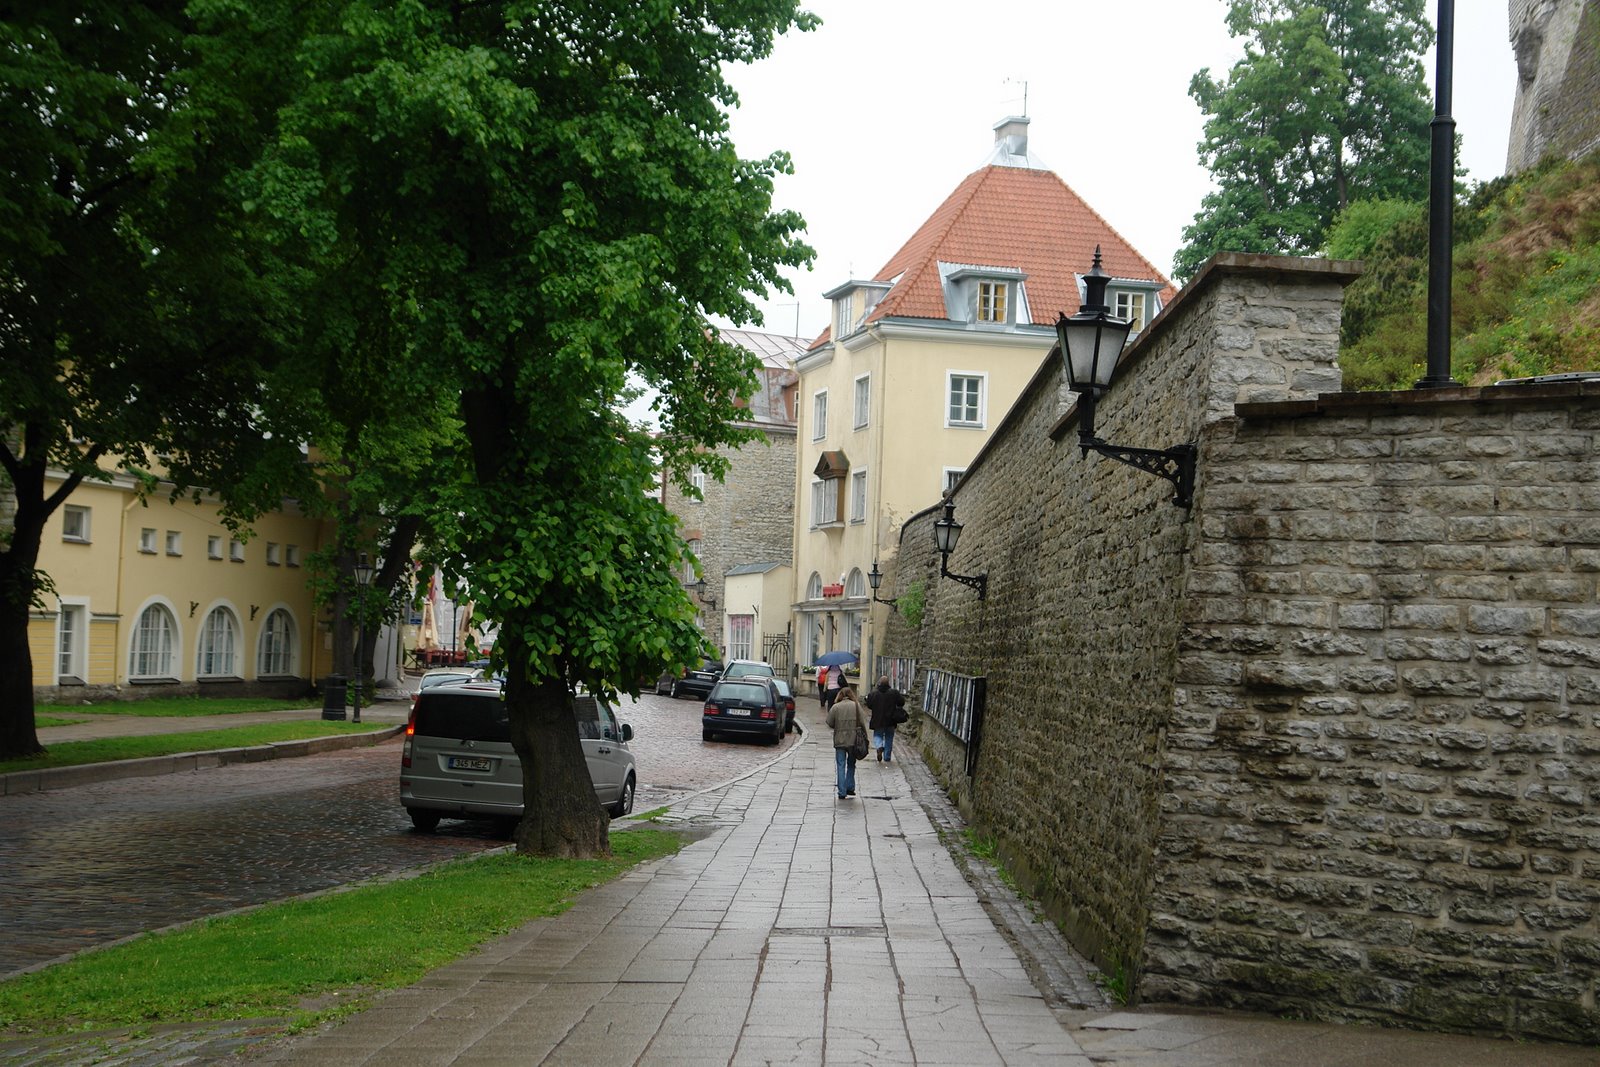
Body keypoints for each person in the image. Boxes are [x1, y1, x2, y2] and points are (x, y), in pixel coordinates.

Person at [826, 686, 869, 799]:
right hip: (853, 740)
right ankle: (850, 786)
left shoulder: (836, 707)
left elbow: (829, 722)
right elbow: (862, 722)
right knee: (851, 764)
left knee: (840, 765)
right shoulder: (856, 706)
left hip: (839, 740)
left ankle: (842, 791)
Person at [864, 675, 907, 763]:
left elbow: (869, 705)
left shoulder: (873, 693)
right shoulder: (894, 693)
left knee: (877, 735)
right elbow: (901, 702)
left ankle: (879, 746)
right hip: (891, 720)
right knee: (889, 737)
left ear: (879, 683)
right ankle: (887, 757)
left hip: (878, 719)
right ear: (888, 683)